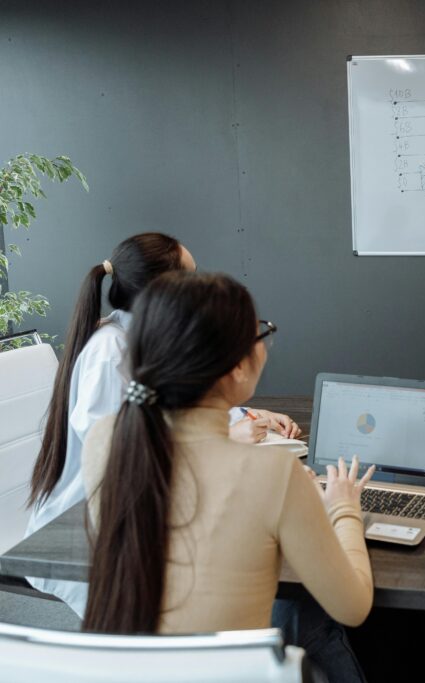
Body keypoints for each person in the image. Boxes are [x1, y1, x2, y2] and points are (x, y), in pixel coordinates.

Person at [81, 271, 373, 682]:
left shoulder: (105, 440)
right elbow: (353, 606)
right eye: (260, 333)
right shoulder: (275, 473)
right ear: (237, 366)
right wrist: (344, 506)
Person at [26, 232, 299, 616]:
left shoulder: (152, 335)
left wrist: (242, 415)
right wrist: (224, 434)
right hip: (90, 527)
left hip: (146, 509)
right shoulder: (110, 351)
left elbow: (171, 403)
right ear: (162, 291)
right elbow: (114, 453)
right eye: (190, 277)